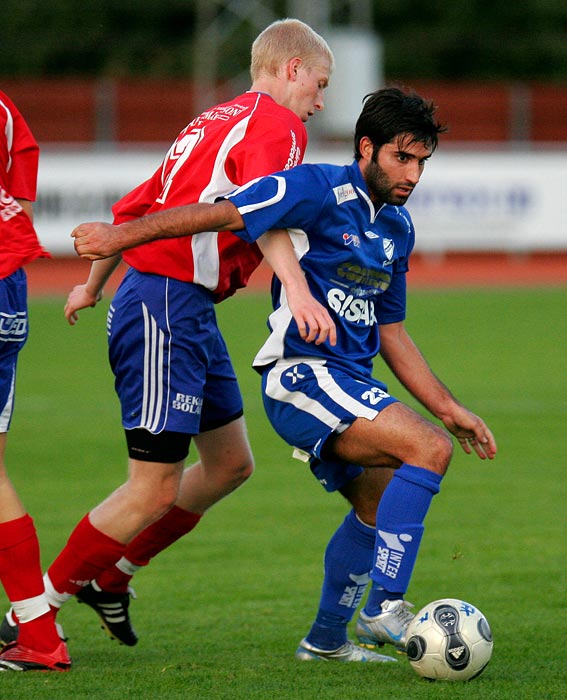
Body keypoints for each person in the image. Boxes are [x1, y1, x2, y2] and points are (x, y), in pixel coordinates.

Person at [68, 87, 497, 663]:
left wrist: (451, 407)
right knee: (427, 450)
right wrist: (120, 237)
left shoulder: (397, 228)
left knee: (378, 500)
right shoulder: (317, 186)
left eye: (422, 161)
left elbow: (393, 335)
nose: (413, 174)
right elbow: (226, 209)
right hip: (300, 376)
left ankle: (323, 643)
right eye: (403, 158)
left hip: (347, 379)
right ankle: (386, 608)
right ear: (366, 148)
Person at [0, 18, 338, 653]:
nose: (320, 101)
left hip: (179, 306)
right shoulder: (277, 123)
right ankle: (33, 616)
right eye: (319, 84)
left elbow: (136, 210)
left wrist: (94, 284)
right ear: (292, 70)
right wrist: (295, 286)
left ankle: (113, 575)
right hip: (165, 305)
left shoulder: (209, 121)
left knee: (230, 465)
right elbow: (265, 205)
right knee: (152, 484)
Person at [0, 91, 71, 671]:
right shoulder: (4, 108)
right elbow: (19, 195)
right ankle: (37, 629)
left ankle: (40, 634)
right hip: (9, 285)